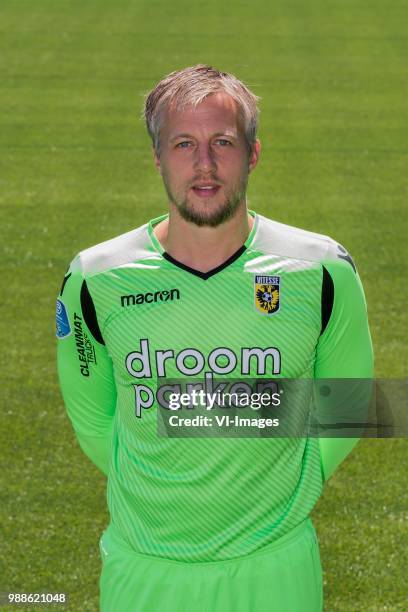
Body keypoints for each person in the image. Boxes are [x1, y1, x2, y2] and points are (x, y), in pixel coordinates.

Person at [56, 64, 374, 611]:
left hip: (274, 568)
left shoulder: (321, 267)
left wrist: (293, 484)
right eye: (183, 144)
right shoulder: (95, 276)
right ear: (158, 156)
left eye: (222, 142)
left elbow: (348, 400)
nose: (204, 165)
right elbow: (93, 418)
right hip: (146, 571)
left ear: (252, 153)